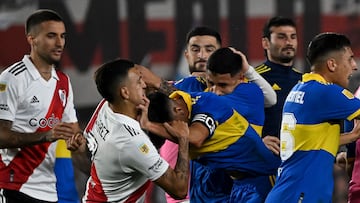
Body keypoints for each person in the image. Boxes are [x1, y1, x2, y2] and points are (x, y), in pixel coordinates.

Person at [265, 32, 360, 203]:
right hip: (301, 195)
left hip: (289, 192)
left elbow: (309, 141)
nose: (354, 66)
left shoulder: (301, 89)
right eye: (349, 59)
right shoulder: (325, 92)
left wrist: (352, 136)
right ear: (332, 64)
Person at [79, 59, 190, 202]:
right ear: (125, 93)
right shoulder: (131, 142)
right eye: (138, 82)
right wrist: (183, 139)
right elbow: (179, 190)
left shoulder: (106, 106)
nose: (144, 85)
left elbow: (88, 147)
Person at [0, 9, 81, 203]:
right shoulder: (11, 79)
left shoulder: (63, 81)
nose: (59, 43)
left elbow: (73, 131)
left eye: (62, 36)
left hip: (49, 190)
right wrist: (46, 136)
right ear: (32, 39)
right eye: (51, 36)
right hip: (14, 186)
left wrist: (77, 142)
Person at [255, 16, 303, 155]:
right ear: (266, 43)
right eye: (281, 37)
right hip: (265, 162)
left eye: (293, 37)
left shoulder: (305, 80)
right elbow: (237, 120)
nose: (289, 42)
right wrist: (258, 140)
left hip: (298, 162)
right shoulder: (254, 79)